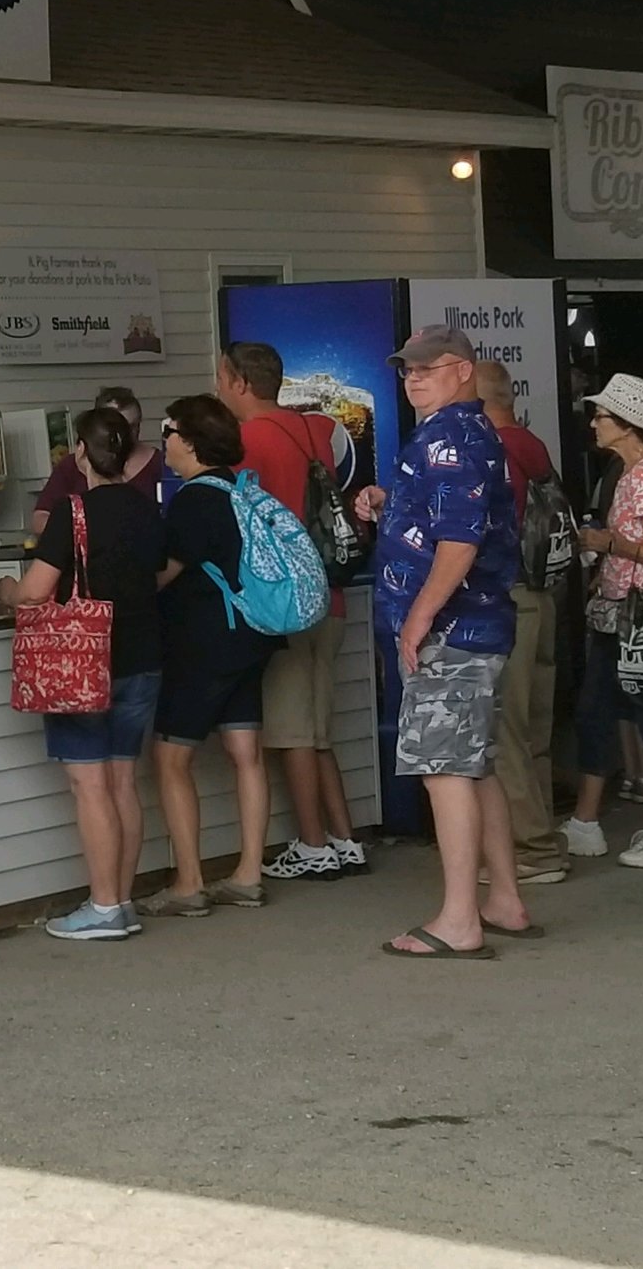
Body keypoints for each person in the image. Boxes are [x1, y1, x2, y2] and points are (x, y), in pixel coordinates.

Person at [354, 326, 526, 959]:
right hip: (478, 626)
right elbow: (450, 513)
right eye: (407, 369)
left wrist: (421, 614)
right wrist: (392, 501)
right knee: (474, 765)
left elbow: (460, 537)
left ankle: (459, 919)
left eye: (428, 368)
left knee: (445, 768)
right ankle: (502, 898)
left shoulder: (450, 435)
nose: (414, 378)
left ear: (462, 370)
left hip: (453, 630)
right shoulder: (462, 433)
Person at [0, 406, 166, 941]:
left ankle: (102, 907)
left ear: (78, 454)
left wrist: (3, 590)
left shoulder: (74, 515)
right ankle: (121, 899)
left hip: (82, 664)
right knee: (122, 782)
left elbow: (33, 593)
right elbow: (159, 571)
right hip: (142, 656)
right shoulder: (147, 510)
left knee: (89, 785)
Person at [216, 342, 370, 882]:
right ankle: (346, 837)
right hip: (330, 594)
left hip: (284, 602)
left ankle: (311, 845)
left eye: (220, 377)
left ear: (238, 382)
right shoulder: (316, 431)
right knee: (320, 730)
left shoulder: (246, 441)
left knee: (293, 732)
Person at [137, 395, 273, 917]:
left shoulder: (193, 500)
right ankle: (248, 873)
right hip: (249, 637)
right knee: (248, 755)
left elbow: (165, 574)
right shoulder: (241, 491)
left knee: (171, 759)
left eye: (168, 430)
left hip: (200, 644)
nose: (163, 440)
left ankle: (189, 882)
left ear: (190, 441)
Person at [560, 374, 643, 869]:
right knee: (598, 709)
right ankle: (586, 821)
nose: (594, 422)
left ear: (627, 426)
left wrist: (604, 544)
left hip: (640, 608)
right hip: (621, 607)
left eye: (602, 415)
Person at [474, 360, 569, 886]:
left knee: (505, 731)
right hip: (544, 594)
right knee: (535, 728)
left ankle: (532, 848)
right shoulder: (530, 443)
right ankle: (543, 834)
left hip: (509, 596)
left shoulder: (494, 448)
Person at [29, 385, 163, 533]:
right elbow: (40, 517)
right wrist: (80, 534)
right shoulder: (71, 465)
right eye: (117, 429)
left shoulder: (161, 463)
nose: (125, 434)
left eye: (133, 426)